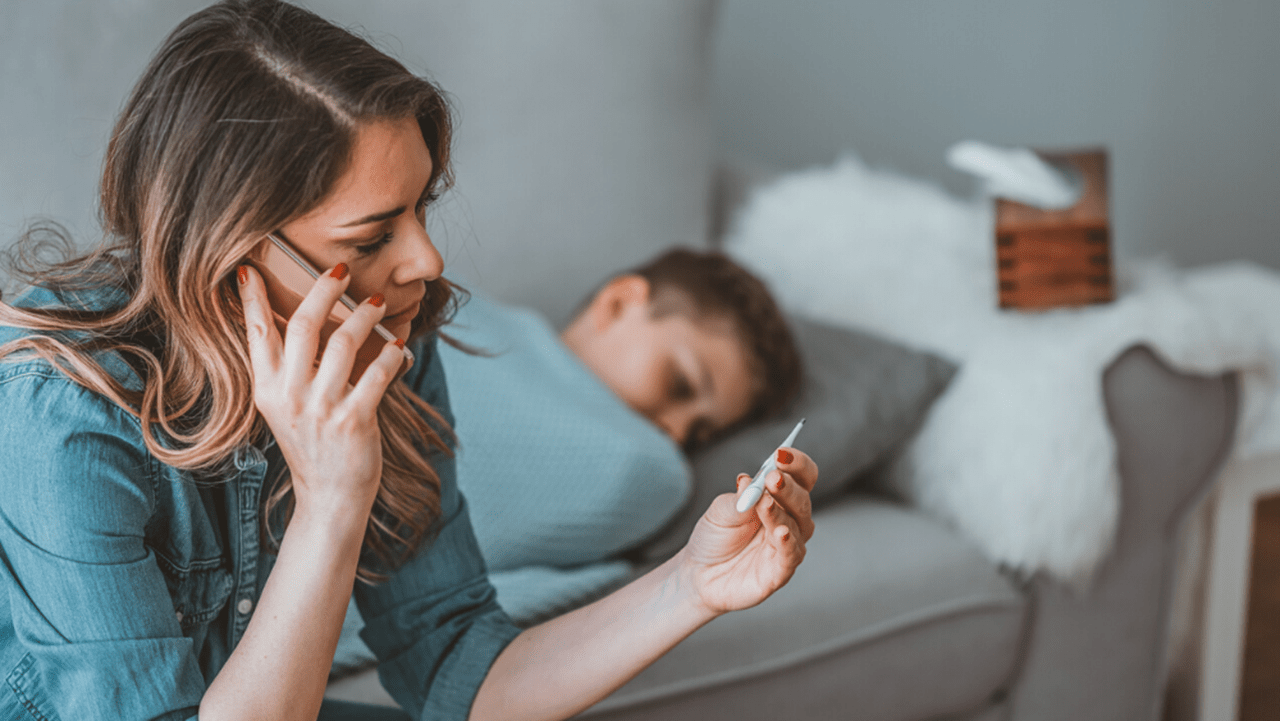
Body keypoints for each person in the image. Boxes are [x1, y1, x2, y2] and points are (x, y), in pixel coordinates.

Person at [0, 3, 818, 721]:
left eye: (421, 208)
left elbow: (462, 671)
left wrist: (693, 585)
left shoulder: (385, 346)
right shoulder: (64, 413)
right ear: (231, 249)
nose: (426, 261)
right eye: (371, 237)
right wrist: (332, 501)